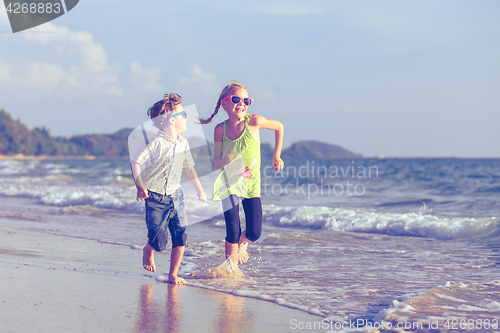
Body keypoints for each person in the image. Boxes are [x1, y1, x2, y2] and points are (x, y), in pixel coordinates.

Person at [200, 81, 284, 270]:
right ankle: (231, 269)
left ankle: (242, 243)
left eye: (247, 100)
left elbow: (279, 127)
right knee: (232, 230)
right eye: (237, 99)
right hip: (228, 185)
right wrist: (225, 160)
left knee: (254, 232)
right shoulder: (220, 129)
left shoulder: (254, 121)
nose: (242, 103)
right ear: (224, 103)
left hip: (251, 186)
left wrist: (276, 155)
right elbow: (216, 162)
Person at [131, 93, 207, 285]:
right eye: (183, 114)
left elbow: (189, 168)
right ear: (170, 120)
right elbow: (135, 161)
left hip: (177, 196)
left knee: (180, 236)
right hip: (156, 198)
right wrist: (140, 186)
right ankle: (148, 249)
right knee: (159, 240)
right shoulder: (156, 143)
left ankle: (173, 273)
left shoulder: (183, 143)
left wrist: (199, 189)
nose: (186, 118)